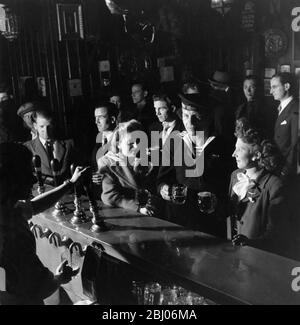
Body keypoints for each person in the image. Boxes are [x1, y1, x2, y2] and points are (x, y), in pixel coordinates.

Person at [0, 142, 88, 304]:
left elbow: (34, 206)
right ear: (11, 178)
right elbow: (33, 283)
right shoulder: (10, 229)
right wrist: (59, 278)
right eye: (26, 172)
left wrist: (70, 184)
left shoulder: (9, 209)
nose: (34, 178)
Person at [157, 93, 230, 237]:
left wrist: (219, 202)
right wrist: (163, 189)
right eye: (185, 116)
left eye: (196, 116)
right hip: (179, 220)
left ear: (208, 117)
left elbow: (230, 185)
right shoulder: (174, 143)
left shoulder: (222, 145)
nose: (190, 123)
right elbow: (161, 180)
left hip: (211, 223)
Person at [229, 119, 288, 254]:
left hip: (258, 259)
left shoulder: (275, 186)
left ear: (257, 155)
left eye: (240, 150)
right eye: (235, 148)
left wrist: (250, 243)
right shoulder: (235, 176)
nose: (234, 154)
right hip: (232, 255)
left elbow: (277, 236)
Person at [97, 120, 160, 216]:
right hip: (125, 215)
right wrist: (138, 208)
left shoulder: (149, 158)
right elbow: (109, 197)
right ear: (119, 144)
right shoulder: (108, 164)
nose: (136, 146)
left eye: (139, 141)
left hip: (152, 211)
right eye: (130, 144)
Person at [24, 109, 76, 183]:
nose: (46, 132)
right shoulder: (28, 147)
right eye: (42, 127)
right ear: (35, 126)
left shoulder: (69, 144)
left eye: (49, 126)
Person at [270, 72, 299, 178]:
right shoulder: (279, 108)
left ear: (286, 86)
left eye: (274, 87)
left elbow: (296, 145)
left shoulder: (295, 109)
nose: (271, 91)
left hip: (286, 169)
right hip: (277, 164)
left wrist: (286, 169)